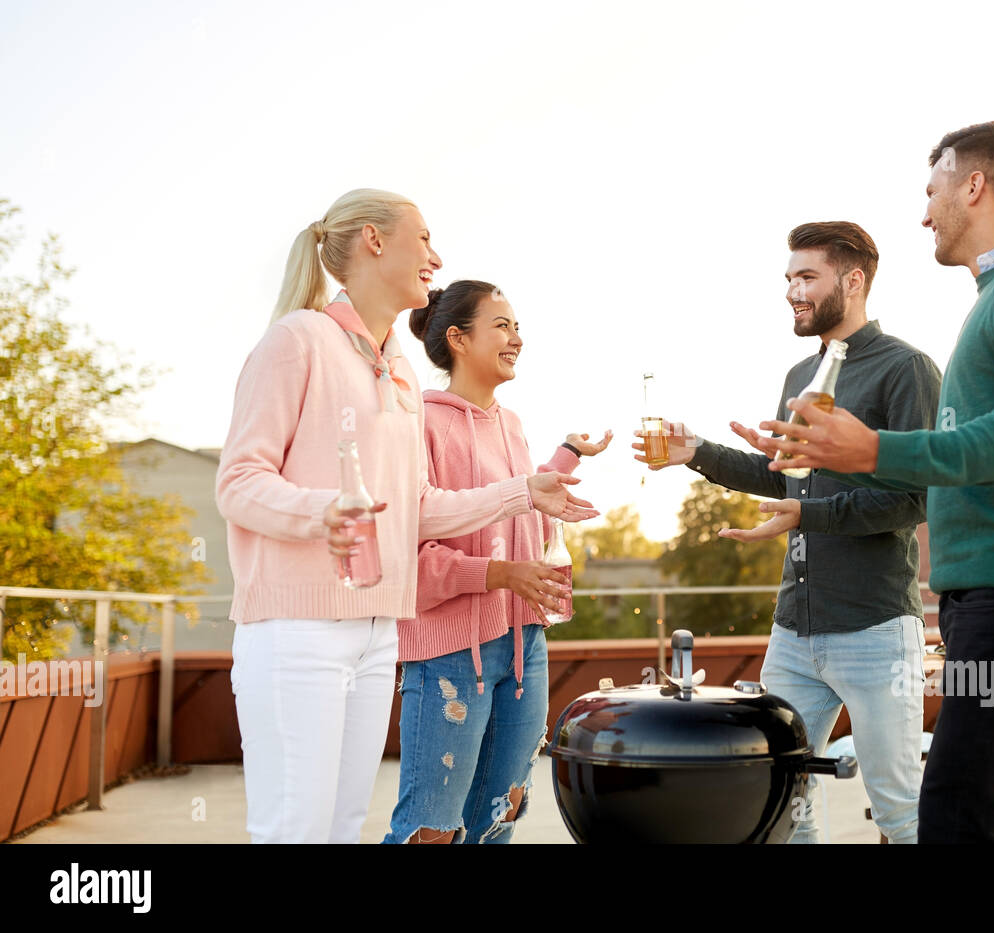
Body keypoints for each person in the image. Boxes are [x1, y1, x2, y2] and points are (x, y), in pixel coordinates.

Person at [742, 123, 994, 844]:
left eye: (932, 190)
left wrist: (875, 448)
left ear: (973, 185)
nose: (924, 213)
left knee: (951, 819)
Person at [215, 189, 598, 844]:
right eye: (423, 239)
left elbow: (421, 508)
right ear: (373, 239)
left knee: (339, 828)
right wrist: (322, 512)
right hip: (295, 628)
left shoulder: (394, 364)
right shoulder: (297, 339)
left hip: (375, 632)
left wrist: (524, 492)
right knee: (296, 830)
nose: (435, 256)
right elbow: (239, 481)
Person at [634, 222, 941, 844]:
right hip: (794, 633)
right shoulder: (801, 373)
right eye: (789, 279)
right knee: (779, 804)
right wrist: (696, 452)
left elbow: (915, 499)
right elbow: (785, 479)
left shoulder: (907, 369)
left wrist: (812, 515)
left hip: (875, 629)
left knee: (899, 810)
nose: (792, 291)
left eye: (807, 277)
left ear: (852, 282)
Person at [383, 281, 612, 844]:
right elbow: (407, 554)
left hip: (523, 648)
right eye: (503, 326)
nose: (517, 338)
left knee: (498, 816)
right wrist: (500, 575)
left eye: (518, 327)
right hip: (449, 657)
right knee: (431, 830)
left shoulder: (509, 423)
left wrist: (568, 455)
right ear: (458, 339)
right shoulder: (420, 423)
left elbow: (511, 503)